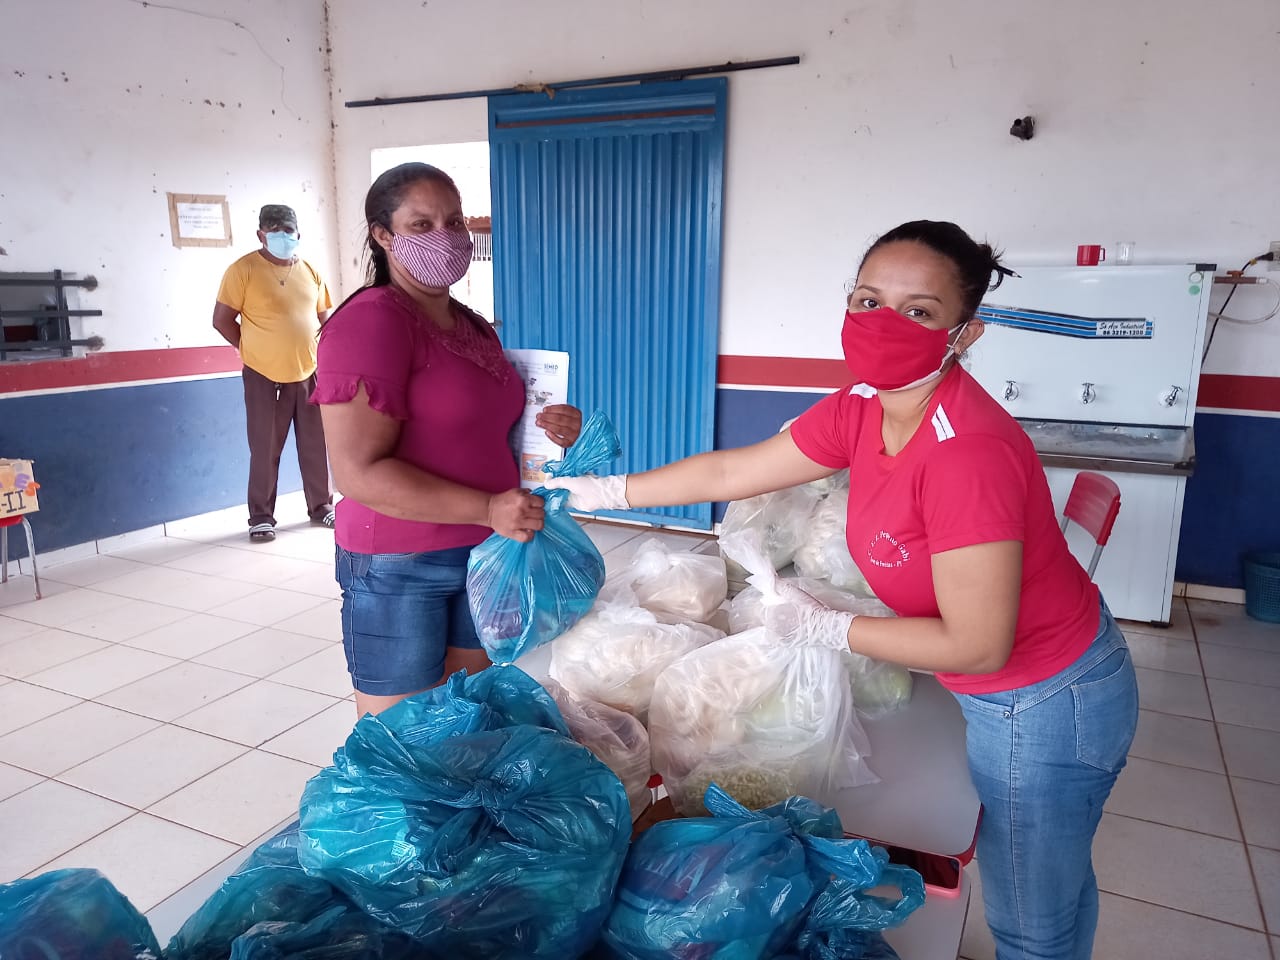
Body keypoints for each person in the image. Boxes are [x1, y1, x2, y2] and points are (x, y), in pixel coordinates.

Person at [549, 221, 1139, 960]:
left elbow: (978, 644)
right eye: (868, 300)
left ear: (965, 334)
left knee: (1031, 917)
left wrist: (830, 628)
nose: (884, 324)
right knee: (1048, 886)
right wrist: (608, 490)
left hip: (1045, 697)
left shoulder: (966, 454)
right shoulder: (865, 404)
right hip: (1008, 685)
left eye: (919, 310)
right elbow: (735, 471)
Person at [311, 162, 582, 719]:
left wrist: (551, 430)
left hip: (484, 551)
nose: (446, 236)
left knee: (463, 722)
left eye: (454, 221)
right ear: (383, 235)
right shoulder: (371, 323)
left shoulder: (471, 325)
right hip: (400, 562)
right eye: (422, 224)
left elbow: (481, 430)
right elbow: (357, 472)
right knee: (404, 736)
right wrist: (487, 507)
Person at [213, 204, 335, 543]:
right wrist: (251, 348)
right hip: (264, 376)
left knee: (315, 445)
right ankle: (261, 517)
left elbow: (326, 320)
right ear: (261, 235)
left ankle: (321, 507)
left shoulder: (310, 271)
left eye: (288, 231)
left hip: (309, 373)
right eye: (275, 231)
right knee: (266, 449)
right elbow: (221, 320)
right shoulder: (243, 270)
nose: (283, 237)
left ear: (298, 233)